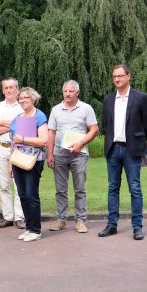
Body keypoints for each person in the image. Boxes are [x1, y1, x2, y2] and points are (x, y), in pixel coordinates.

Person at [99, 65, 147, 241]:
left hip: (132, 149)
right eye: (114, 76)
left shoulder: (140, 98)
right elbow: (106, 124)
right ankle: (111, 225)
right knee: (112, 188)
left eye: (120, 76)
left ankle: (137, 227)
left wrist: (138, 140)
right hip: (113, 149)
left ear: (128, 76)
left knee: (135, 188)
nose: (117, 79)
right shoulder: (108, 100)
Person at [46, 80, 99, 234]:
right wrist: (50, 153)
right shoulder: (56, 110)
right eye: (65, 91)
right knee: (60, 189)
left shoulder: (86, 108)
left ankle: (81, 220)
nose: (67, 94)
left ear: (77, 92)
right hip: (59, 154)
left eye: (71, 91)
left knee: (80, 189)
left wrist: (80, 143)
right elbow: (51, 132)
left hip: (79, 155)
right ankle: (61, 219)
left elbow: (94, 130)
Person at [9, 87, 48, 242]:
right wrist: (10, 164)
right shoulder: (18, 117)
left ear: (33, 98)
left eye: (26, 98)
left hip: (34, 161)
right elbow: (14, 142)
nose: (22, 100)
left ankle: (36, 230)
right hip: (18, 160)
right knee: (23, 195)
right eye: (20, 98)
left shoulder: (39, 116)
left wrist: (23, 139)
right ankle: (29, 227)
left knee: (31, 194)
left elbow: (44, 140)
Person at [0, 77, 25, 229]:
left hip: (18, 147)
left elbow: (24, 127)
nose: (8, 90)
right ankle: (8, 216)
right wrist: (13, 125)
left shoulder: (22, 106)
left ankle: (20, 217)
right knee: (4, 185)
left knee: (19, 184)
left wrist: (1, 123)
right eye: (6, 88)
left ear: (17, 88)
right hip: (0, 147)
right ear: (2, 90)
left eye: (11, 87)